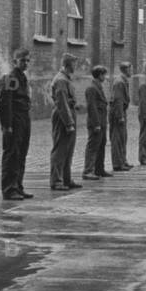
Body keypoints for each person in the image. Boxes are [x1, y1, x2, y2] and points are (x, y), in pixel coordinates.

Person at [0, 48, 33, 201]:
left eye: (27, 61)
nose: (25, 63)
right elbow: (5, 103)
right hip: (15, 120)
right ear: (15, 61)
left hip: (24, 118)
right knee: (12, 154)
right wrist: (7, 125)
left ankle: (18, 186)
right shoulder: (11, 78)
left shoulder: (22, 77)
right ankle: (9, 189)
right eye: (22, 60)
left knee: (22, 154)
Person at [50, 54, 80, 191]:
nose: (76, 66)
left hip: (68, 113)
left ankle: (66, 179)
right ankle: (56, 181)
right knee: (60, 149)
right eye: (74, 64)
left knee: (68, 149)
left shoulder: (66, 79)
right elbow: (61, 102)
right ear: (68, 64)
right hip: (63, 116)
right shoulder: (61, 80)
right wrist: (68, 123)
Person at [83, 65, 110, 180]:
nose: (105, 77)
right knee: (93, 146)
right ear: (99, 75)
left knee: (101, 145)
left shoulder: (98, 87)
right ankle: (88, 170)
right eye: (104, 74)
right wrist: (96, 124)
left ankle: (99, 169)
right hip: (96, 123)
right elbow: (92, 107)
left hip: (102, 122)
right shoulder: (92, 88)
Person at [110, 61, 133, 171]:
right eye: (130, 69)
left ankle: (123, 161)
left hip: (122, 111)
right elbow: (118, 100)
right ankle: (118, 164)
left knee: (123, 138)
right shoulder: (119, 82)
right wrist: (120, 116)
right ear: (126, 70)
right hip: (118, 113)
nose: (131, 71)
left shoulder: (123, 80)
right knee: (117, 139)